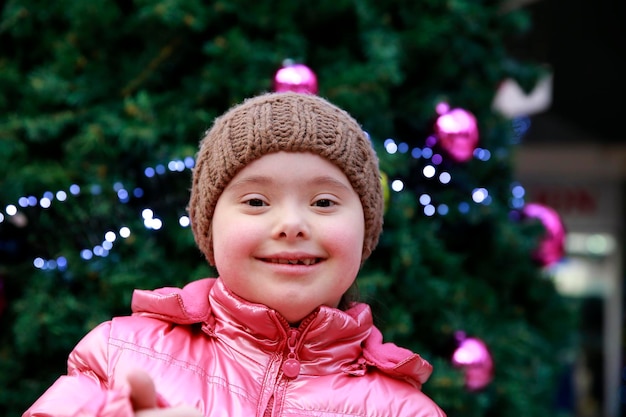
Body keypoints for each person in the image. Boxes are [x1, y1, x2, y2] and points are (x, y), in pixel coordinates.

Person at [23, 92, 446, 417]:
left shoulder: (404, 409)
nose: (292, 224)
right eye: (257, 202)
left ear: (366, 231)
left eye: (323, 202)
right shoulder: (121, 352)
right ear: (209, 227)